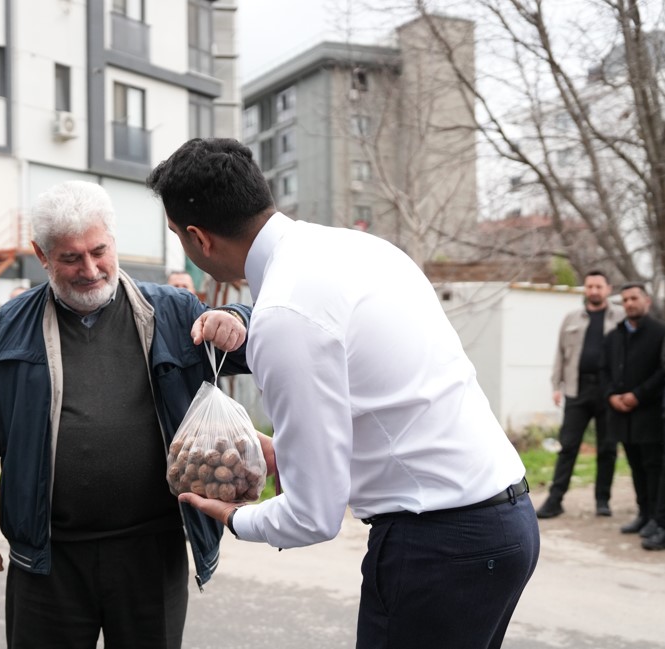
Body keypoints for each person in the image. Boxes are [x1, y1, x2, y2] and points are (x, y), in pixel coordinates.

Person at [146, 138, 540, 649]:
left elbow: (313, 516)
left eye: (178, 236)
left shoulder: (286, 314)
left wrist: (238, 518)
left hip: (439, 545)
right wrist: (286, 450)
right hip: (504, 522)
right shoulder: (360, 249)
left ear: (199, 239)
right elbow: (387, 400)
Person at [0, 180, 252, 648]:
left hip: (151, 555)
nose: (90, 269)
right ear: (42, 255)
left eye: (99, 251)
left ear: (114, 240)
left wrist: (237, 321)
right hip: (48, 558)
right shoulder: (14, 323)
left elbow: (256, 348)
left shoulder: (171, 311)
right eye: (70, 258)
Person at [536, 270, 626, 519]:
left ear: (608, 289)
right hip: (578, 389)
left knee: (607, 448)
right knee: (568, 446)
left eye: (599, 286)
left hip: (609, 392)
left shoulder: (620, 317)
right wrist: (556, 385)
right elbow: (560, 354)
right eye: (590, 286)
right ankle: (555, 500)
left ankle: (602, 500)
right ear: (585, 289)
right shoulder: (571, 318)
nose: (594, 291)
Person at [600, 282, 665, 544]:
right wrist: (611, 396)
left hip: (648, 412)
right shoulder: (613, 336)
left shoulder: (659, 333)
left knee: (653, 467)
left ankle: (655, 519)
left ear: (646, 301)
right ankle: (644, 514)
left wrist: (638, 394)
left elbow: (662, 372)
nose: (629, 303)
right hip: (622, 415)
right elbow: (603, 371)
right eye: (625, 300)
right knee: (635, 466)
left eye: (634, 298)